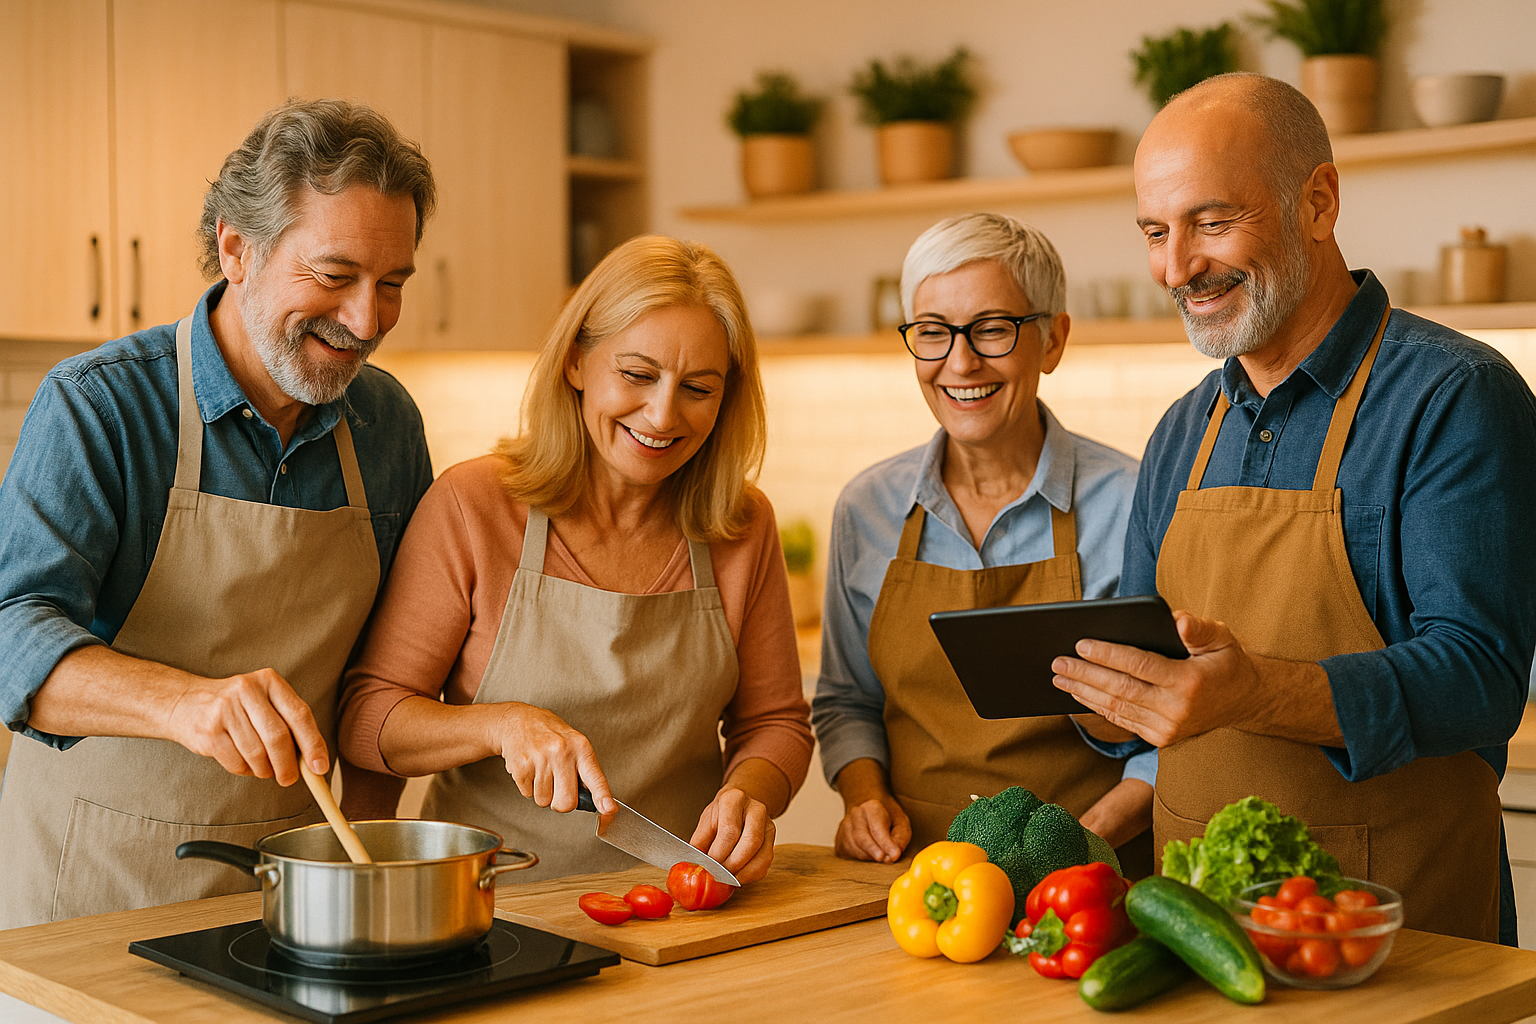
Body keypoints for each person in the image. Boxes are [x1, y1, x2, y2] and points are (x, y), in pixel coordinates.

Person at [1052, 73, 1536, 944]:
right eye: (1156, 232)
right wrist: (1103, 689)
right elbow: (1154, 662)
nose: (1176, 268)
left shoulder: (1454, 396)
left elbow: (1480, 680)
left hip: (1395, 935)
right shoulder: (1182, 430)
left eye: (1211, 222)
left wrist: (1255, 693)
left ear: (1318, 202)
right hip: (1199, 930)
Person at [0, 99, 437, 927]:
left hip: (295, 898)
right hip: (91, 892)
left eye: (392, 286)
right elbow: (10, 633)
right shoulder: (101, 407)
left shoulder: (388, 427)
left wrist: (363, 867)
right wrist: (184, 704)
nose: (366, 320)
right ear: (237, 249)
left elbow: (385, 680)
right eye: (334, 276)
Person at [339, 235, 813, 885]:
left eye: (698, 388)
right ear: (575, 362)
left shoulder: (742, 524)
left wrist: (750, 793)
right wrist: (501, 726)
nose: (662, 414)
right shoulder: (474, 505)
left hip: (678, 902)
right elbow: (369, 718)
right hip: (488, 903)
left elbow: (775, 724)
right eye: (637, 375)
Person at [812, 213, 1154, 867]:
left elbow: (1179, 721)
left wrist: (1088, 842)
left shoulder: (1133, 501)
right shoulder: (867, 508)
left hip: (1088, 881)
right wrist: (864, 798)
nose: (960, 362)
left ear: (1053, 340)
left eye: (993, 329)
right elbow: (847, 700)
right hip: (917, 877)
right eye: (932, 332)